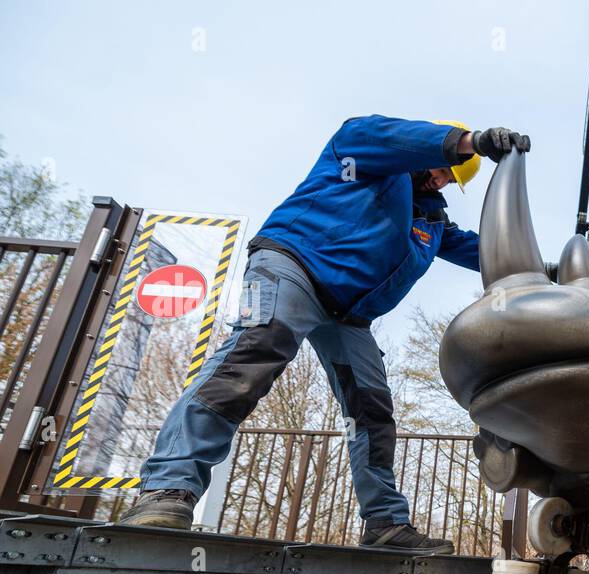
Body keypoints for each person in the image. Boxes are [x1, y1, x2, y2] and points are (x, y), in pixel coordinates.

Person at [120, 118, 530, 551]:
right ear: (434, 150)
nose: (440, 179)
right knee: (254, 351)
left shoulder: (430, 221)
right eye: (443, 167)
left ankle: (385, 524)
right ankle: (168, 488)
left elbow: (482, 249)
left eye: (448, 178)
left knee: (371, 410)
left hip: (348, 314)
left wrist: (543, 269)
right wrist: (471, 143)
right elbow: (384, 137)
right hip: (290, 266)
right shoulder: (362, 151)